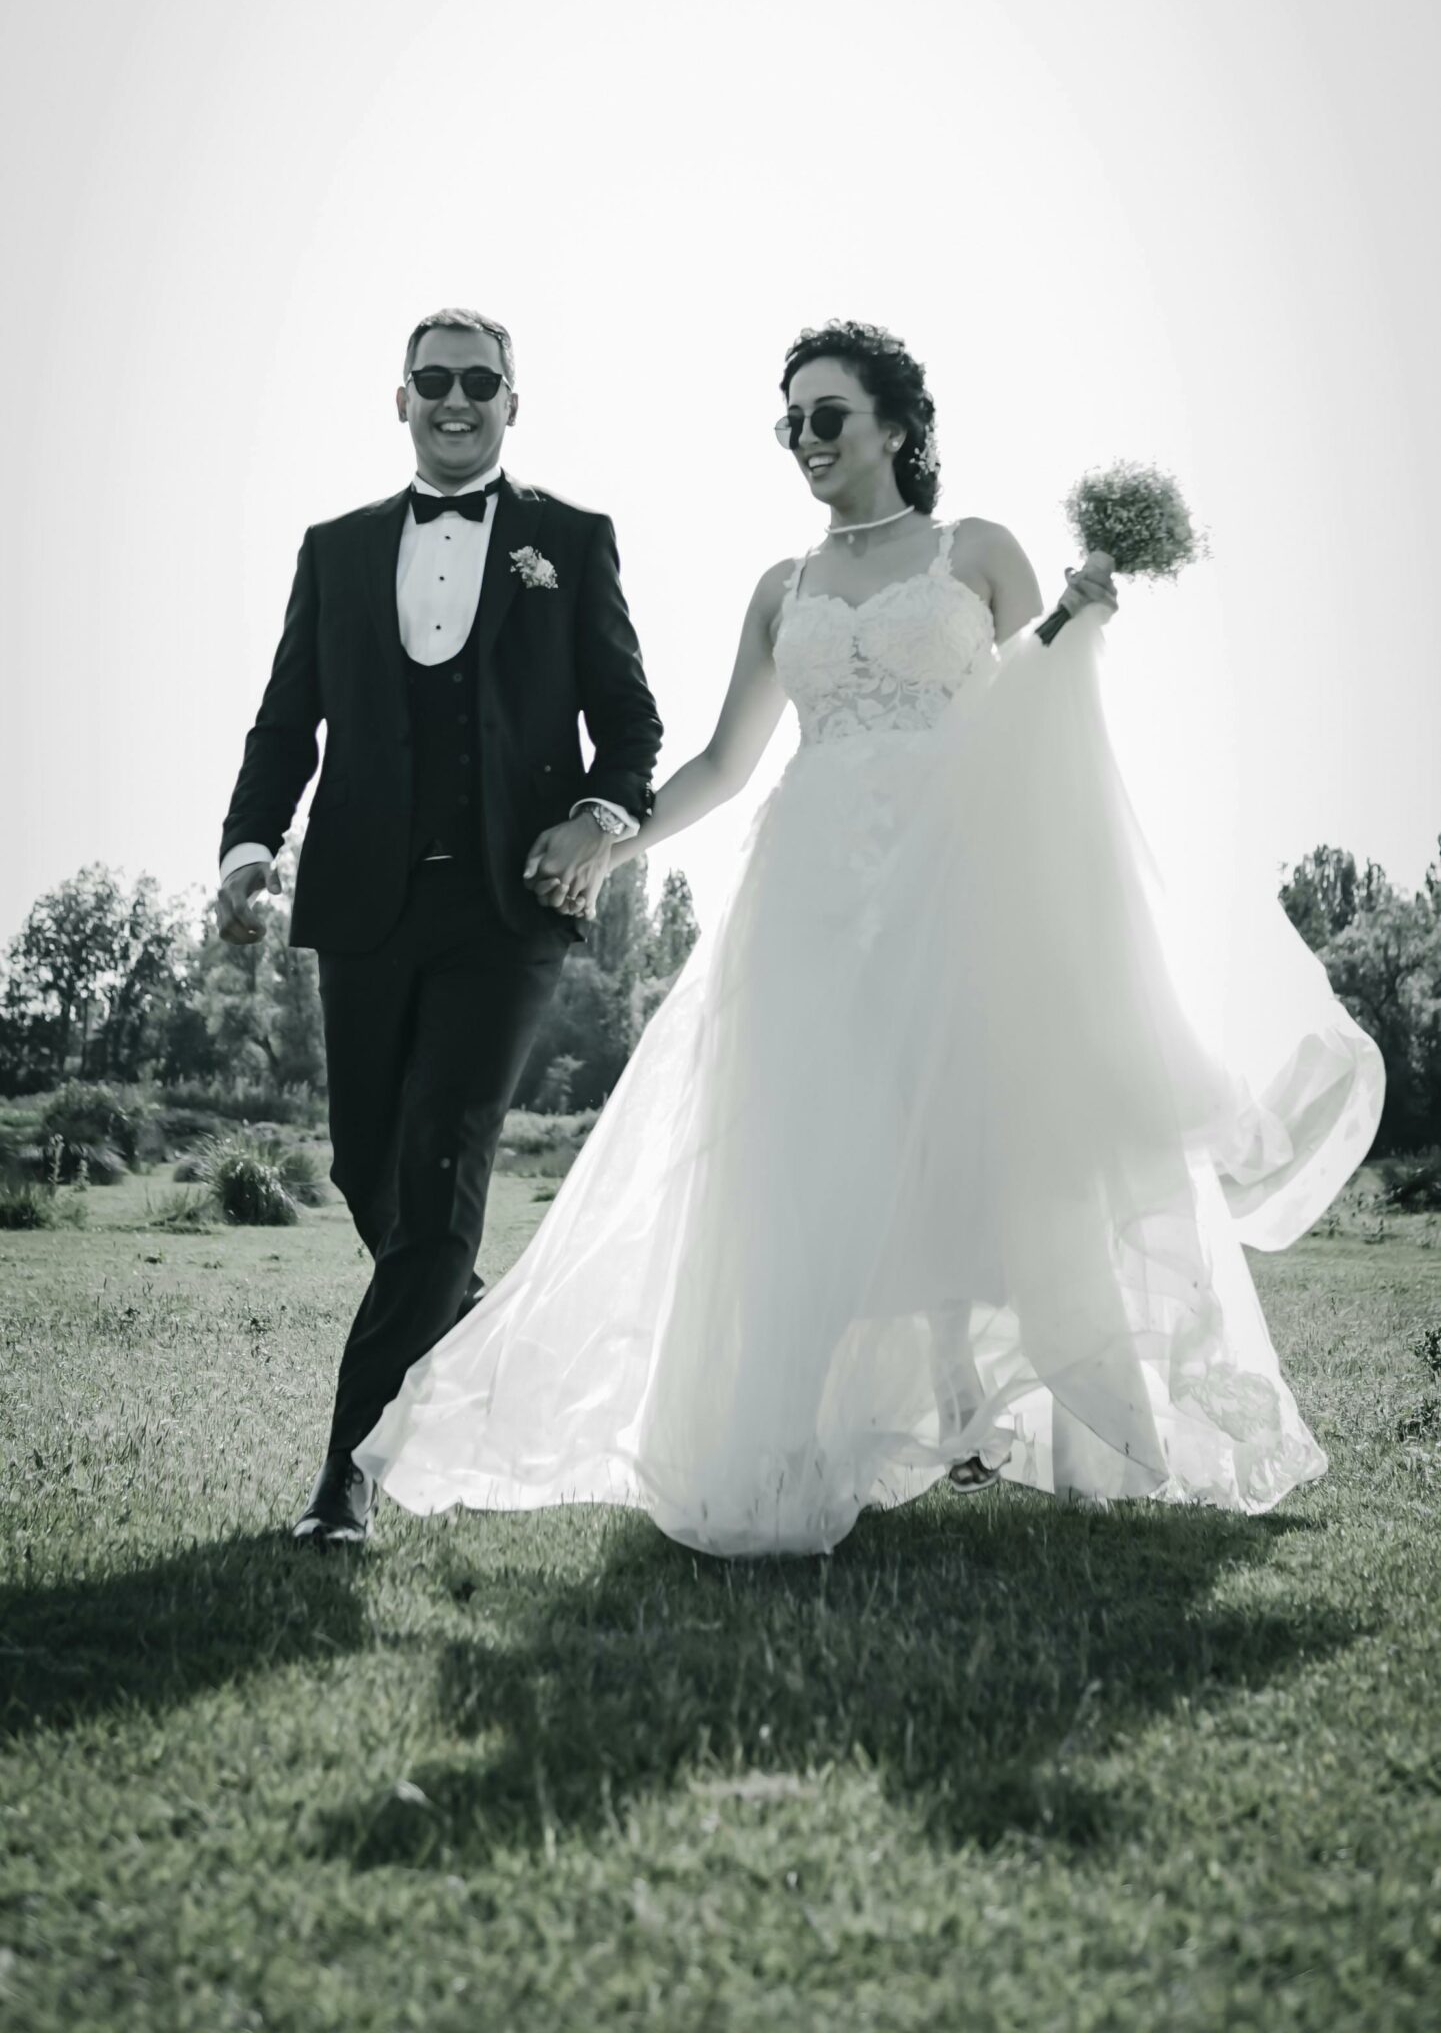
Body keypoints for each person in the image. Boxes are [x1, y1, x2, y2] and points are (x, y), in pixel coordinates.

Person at [356, 319, 1384, 1557]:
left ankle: (1042, 1402)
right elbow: (727, 764)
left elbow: (1024, 719)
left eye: (826, 415)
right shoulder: (779, 588)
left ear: (896, 426)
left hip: (959, 887)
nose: (803, 438)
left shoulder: (977, 550)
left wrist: (1072, 622)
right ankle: (799, 1430)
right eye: (788, 419)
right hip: (809, 901)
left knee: (987, 1138)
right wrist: (614, 838)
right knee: (806, 1157)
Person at [217, 307, 662, 1543]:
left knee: (438, 1162)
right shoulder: (335, 548)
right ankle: (487, 1326)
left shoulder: (571, 541)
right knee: (371, 1169)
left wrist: (596, 821)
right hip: (361, 903)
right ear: (399, 398)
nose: (454, 400)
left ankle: (347, 1480)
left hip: (504, 911)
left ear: (515, 401)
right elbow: (282, 723)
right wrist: (249, 849)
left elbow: (631, 725)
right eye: (432, 381)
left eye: (479, 382)